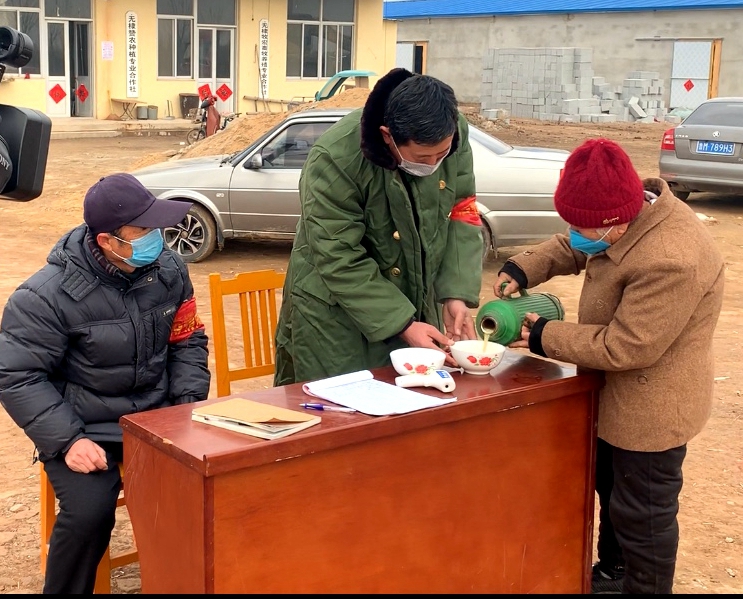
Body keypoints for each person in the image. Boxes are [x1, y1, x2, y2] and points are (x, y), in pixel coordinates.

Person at [493, 139, 724, 594]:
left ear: (617, 221)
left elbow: (627, 347)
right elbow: (576, 244)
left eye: (585, 227)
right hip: (613, 394)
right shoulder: (620, 217)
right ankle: (615, 573)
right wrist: (523, 268)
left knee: (645, 516)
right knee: (611, 492)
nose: (576, 233)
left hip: (653, 406)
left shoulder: (672, 257)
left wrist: (542, 335)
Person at [0, 173, 211, 594]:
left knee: (203, 488)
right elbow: (16, 375)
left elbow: (187, 339)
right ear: (106, 242)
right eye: (143, 232)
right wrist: (67, 441)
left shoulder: (168, 270)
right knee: (89, 510)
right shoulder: (45, 295)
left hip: (155, 417)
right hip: (84, 425)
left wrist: (184, 406)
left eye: (157, 230)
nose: (156, 240)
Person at [273, 68, 483, 386]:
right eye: (422, 157)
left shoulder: (453, 132)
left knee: (417, 404)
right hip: (337, 313)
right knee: (345, 411)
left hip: (412, 296)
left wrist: (455, 294)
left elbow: (461, 209)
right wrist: (402, 323)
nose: (433, 165)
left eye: (442, 155)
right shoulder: (334, 159)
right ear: (387, 136)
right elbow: (338, 256)